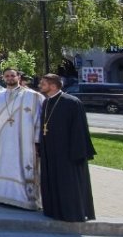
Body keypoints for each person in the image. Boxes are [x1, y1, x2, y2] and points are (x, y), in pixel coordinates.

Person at [36, 73, 96, 222]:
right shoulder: (46, 102)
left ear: (54, 85)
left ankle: (71, 212)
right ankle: (53, 210)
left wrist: (77, 152)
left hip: (68, 152)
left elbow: (79, 130)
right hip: (50, 151)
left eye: (43, 83)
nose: (40, 86)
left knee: (68, 183)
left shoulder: (72, 102)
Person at [0, 68, 39, 209]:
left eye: (13, 75)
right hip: (4, 139)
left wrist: (37, 140)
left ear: (19, 76)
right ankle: (3, 196)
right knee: (4, 166)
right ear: (3, 78)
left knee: (22, 167)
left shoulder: (32, 96)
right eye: (7, 76)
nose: (10, 78)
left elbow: (38, 119)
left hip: (25, 140)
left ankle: (25, 199)